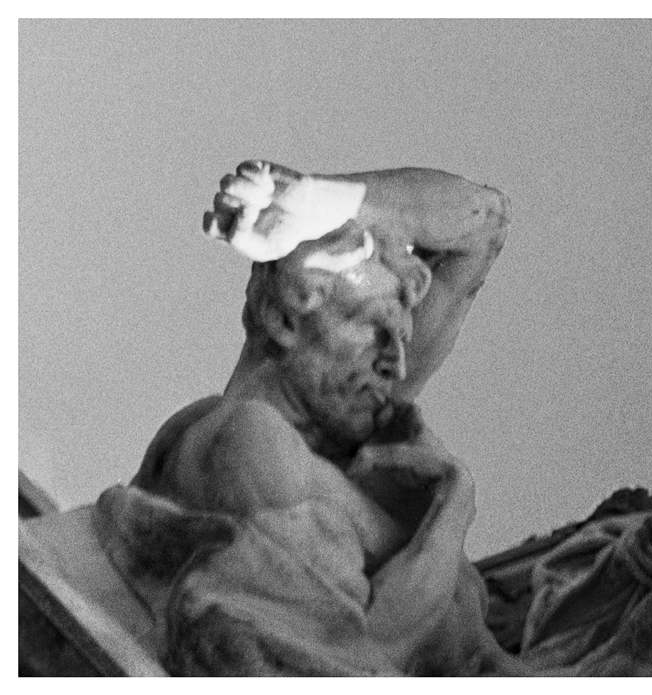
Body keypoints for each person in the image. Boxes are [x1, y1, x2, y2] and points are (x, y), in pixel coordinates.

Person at [95, 160, 519, 675]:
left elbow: (487, 222)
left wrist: (321, 201)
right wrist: (453, 507)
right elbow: (366, 649)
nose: (397, 364)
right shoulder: (246, 439)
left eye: (401, 339)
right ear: (282, 319)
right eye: (373, 328)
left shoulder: (355, 444)